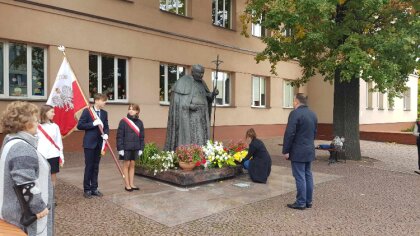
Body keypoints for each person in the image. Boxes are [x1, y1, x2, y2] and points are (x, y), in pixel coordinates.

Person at [0, 101, 53, 235]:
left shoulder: (11, 142)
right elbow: (25, 183)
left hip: (13, 213)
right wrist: (39, 207)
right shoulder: (21, 147)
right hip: (26, 219)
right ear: (25, 123)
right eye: (35, 120)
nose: (38, 124)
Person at [164, 64, 218, 151]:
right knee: (193, 136)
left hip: (202, 116)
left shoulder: (202, 83)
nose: (201, 75)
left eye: (202, 73)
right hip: (190, 118)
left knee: (201, 136)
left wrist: (212, 94)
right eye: (199, 73)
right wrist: (189, 106)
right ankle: (190, 153)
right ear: (192, 72)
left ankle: (201, 152)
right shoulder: (183, 82)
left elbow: (206, 97)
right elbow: (178, 102)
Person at [282, 93, 318, 210]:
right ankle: (308, 201)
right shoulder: (313, 114)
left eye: (293, 101)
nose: (293, 103)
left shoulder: (295, 114)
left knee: (300, 176)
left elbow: (289, 133)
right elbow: (314, 132)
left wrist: (286, 150)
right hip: (309, 149)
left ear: (296, 101)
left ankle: (301, 202)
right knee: (308, 175)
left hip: (298, 150)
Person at [77, 93, 109, 198]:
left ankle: (94, 188)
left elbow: (106, 126)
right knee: (89, 166)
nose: (105, 102)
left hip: (99, 143)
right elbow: (80, 125)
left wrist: (106, 134)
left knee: (96, 167)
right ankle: (87, 189)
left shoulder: (104, 113)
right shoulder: (87, 111)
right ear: (96, 100)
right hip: (89, 143)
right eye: (103, 100)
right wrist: (92, 124)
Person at [117, 104, 145, 191]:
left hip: (135, 147)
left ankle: (132, 184)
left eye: (133, 109)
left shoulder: (140, 123)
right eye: (129, 109)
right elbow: (119, 136)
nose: (130, 111)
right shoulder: (123, 121)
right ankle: (127, 184)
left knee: (133, 165)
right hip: (126, 147)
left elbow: (142, 137)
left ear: (137, 111)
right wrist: (120, 148)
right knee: (126, 165)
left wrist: (141, 148)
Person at [37, 105, 64, 188]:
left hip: (53, 154)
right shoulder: (37, 126)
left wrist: (61, 155)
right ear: (45, 113)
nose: (54, 114)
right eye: (52, 112)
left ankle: (51, 197)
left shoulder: (55, 126)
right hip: (41, 155)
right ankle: (42, 197)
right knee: (41, 177)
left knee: (53, 177)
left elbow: (59, 142)